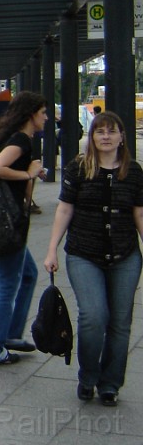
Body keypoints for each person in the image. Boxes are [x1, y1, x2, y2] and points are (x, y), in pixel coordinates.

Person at [43, 111, 143, 406]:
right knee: (94, 316)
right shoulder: (78, 169)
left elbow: (139, 213)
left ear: (122, 137)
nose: (106, 137)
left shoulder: (134, 172)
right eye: (100, 132)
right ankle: (88, 375)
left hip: (125, 255)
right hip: (83, 253)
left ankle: (110, 383)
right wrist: (52, 249)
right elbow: (64, 209)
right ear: (92, 137)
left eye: (112, 132)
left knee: (120, 323)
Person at [0, 91, 47, 365]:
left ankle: (11, 334)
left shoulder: (17, 138)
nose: (46, 117)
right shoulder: (20, 139)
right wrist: (28, 173)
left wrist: (30, 176)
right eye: (43, 112)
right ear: (31, 114)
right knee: (6, 285)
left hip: (7, 218)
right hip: (9, 221)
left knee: (28, 274)